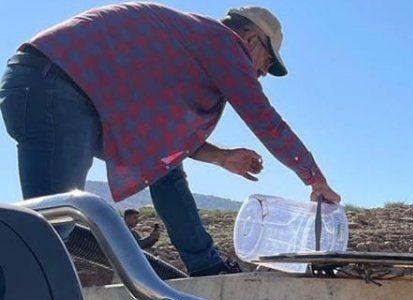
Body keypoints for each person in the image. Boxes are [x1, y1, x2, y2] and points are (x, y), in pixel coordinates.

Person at [0, 4, 340, 276]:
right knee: (48, 231)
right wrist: (314, 178)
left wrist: (220, 157)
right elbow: (264, 118)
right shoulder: (224, 43)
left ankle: (205, 267)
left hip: (63, 87)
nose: (263, 73)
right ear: (250, 38)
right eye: (267, 62)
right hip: (54, 83)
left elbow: (158, 144)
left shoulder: (189, 44)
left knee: (165, 170)